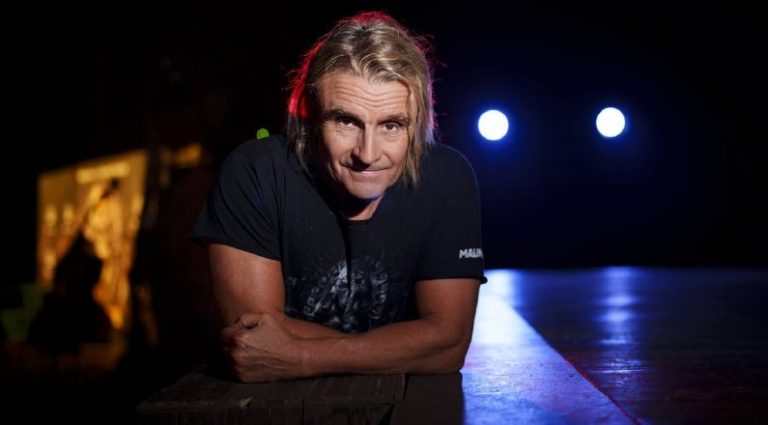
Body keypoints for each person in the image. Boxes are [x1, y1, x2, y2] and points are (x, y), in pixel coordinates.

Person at [192, 10, 486, 383]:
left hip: (413, 404)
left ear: (417, 125)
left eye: (391, 125)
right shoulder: (255, 173)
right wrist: (406, 344)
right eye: (346, 121)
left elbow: (448, 345)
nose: (368, 153)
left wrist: (301, 356)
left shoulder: (447, 176)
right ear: (310, 115)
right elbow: (253, 344)